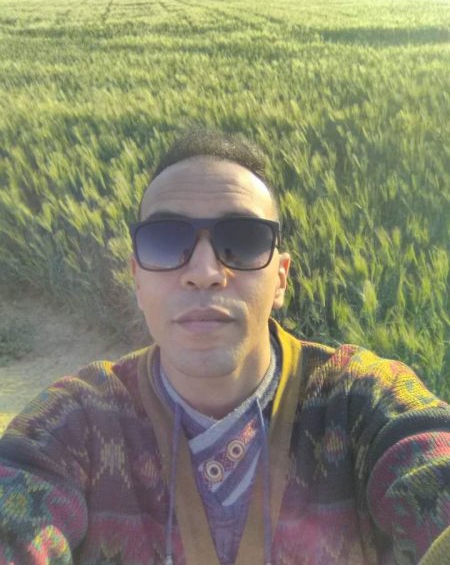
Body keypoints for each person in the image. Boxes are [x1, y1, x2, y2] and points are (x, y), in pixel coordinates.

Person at [0, 129, 449, 565]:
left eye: (243, 240)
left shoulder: (364, 400)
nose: (204, 273)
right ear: (137, 280)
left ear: (281, 279)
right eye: (166, 241)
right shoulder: (74, 421)